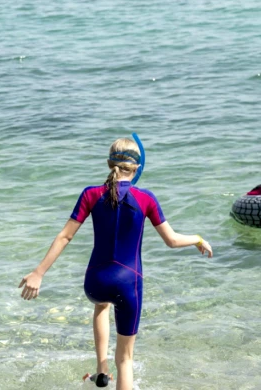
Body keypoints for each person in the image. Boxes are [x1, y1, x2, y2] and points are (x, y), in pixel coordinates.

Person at [19, 137, 213, 390]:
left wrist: (38, 272)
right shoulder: (146, 198)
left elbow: (65, 236)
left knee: (101, 305)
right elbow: (172, 240)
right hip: (127, 284)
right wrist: (197, 239)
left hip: (95, 282)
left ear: (109, 163)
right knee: (126, 359)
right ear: (137, 169)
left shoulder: (90, 194)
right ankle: (111, 370)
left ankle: (101, 370)